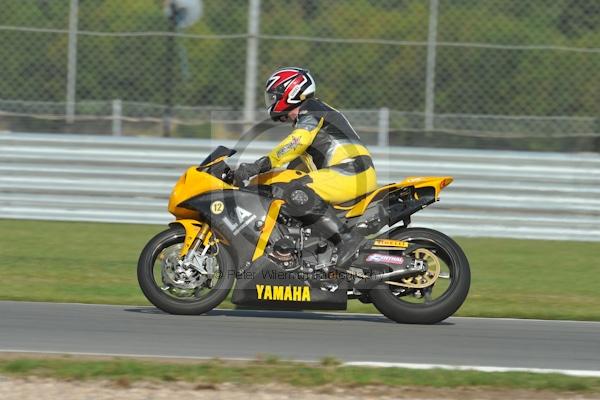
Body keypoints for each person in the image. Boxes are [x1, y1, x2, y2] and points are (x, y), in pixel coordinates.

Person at [234, 67, 377, 270]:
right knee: (285, 190)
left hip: (351, 171)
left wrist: (257, 166)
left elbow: (296, 143)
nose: (271, 102)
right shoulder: (309, 118)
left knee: (294, 191)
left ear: (290, 92)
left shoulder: (312, 109)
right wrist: (256, 182)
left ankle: (347, 240)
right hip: (346, 173)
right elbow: (293, 167)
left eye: (274, 96)